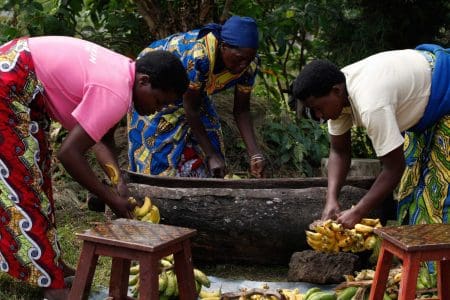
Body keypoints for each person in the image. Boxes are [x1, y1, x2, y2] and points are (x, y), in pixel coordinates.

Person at [0, 36, 188, 299]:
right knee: (24, 185)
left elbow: (101, 139)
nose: (157, 110)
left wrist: (117, 181)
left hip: (17, 74)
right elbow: (69, 155)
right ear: (144, 81)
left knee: (39, 179)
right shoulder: (116, 92)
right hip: (9, 85)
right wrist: (110, 198)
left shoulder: (124, 73)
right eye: (158, 101)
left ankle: (50, 266)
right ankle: (52, 288)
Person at [292, 44, 450, 229]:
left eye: (318, 109)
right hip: (426, 107)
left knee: (440, 197)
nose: (319, 116)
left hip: (444, 91)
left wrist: (358, 211)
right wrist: (331, 199)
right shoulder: (336, 92)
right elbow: (339, 151)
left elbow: (394, 168)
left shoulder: (371, 104)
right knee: (410, 192)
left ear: (336, 91)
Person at [127, 15, 265, 178]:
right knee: (156, 160)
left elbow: (242, 110)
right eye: (240, 58)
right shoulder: (200, 56)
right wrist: (210, 155)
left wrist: (255, 154)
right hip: (156, 91)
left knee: (214, 153)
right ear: (224, 46)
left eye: (248, 59)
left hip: (194, 94)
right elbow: (190, 109)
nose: (244, 65)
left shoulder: (249, 66)